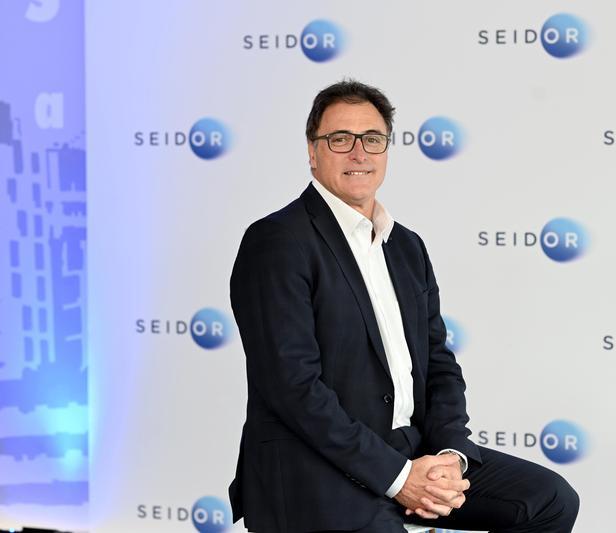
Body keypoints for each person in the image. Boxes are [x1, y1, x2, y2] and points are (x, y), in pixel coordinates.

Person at [228, 80, 579, 533]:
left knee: (550, 501)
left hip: (411, 450)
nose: (359, 153)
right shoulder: (277, 241)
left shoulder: (407, 246)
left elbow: (439, 365)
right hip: (314, 464)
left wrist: (450, 455)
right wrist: (398, 479)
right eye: (340, 139)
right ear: (313, 152)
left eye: (373, 139)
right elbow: (293, 389)